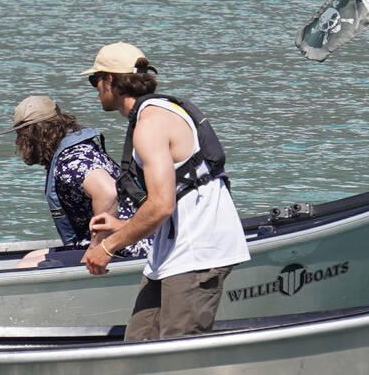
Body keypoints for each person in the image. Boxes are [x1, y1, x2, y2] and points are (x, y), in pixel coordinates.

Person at [78, 43, 250, 342]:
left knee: (175, 354)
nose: (95, 89)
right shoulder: (158, 113)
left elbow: (160, 207)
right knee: (138, 344)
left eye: (96, 80)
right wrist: (123, 227)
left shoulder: (151, 124)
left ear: (112, 81)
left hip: (197, 253)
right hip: (172, 251)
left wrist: (107, 248)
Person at [8, 94, 147, 268]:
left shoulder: (71, 162)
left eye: (21, 134)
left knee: (26, 267)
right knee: (31, 257)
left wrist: (96, 249)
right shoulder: (80, 149)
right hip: (135, 241)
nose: (17, 141)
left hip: (127, 248)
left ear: (37, 133)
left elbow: (108, 193)